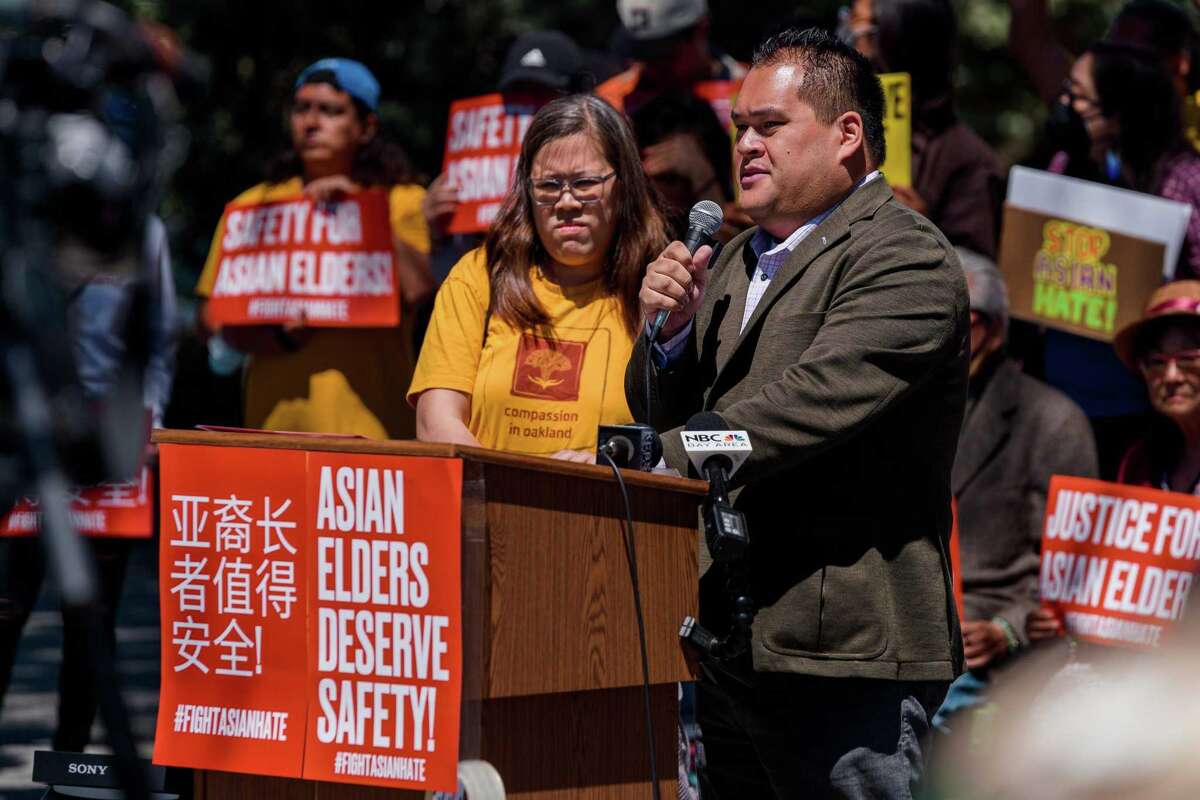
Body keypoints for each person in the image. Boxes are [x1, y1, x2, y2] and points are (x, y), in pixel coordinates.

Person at [627, 27, 968, 796]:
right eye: (740, 128)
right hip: (729, 641)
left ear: (848, 134)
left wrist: (668, 456)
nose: (746, 145)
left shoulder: (902, 256)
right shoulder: (731, 260)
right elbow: (658, 408)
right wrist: (669, 340)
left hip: (845, 649)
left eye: (770, 127)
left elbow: (808, 403)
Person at [409, 94, 668, 460]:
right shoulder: (478, 274)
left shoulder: (661, 287)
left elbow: (682, 430)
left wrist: (597, 465)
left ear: (624, 184)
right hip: (488, 511)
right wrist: (519, 490)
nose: (566, 202)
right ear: (527, 191)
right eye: (548, 186)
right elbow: (435, 423)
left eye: (585, 183)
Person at [0, 215, 176, 752]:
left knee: (91, 623)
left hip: (106, 435)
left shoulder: (141, 227)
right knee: (5, 606)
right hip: (20, 430)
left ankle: (67, 769)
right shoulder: (17, 210)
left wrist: (151, 420)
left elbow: (160, 336)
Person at [195, 58, 434, 439]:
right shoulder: (255, 207)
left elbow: (421, 290)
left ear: (366, 126)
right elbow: (212, 319)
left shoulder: (403, 201)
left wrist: (362, 214)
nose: (311, 122)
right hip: (271, 433)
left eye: (330, 111)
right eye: (302, 108)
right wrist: (279, 338)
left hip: (374, 437)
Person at [931, 248, 1097, 733]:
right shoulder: (903, 404)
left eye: (966, 318)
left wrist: (1008, 628)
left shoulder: (1052, 419)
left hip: (987, 648)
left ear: (998, 328)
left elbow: (1073, 570)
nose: (946, 330)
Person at [1027, 280, 1200, 641]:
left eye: (1189, 361)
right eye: (1156, 363)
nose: (1170, 377)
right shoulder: (1140, 460)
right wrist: (1068, 613)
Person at [840, 0, 1005, 258]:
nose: (849, 37)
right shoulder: (838, 125)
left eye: (863, 26)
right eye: (848, 19)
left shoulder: (970, 164)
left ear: (899, 41)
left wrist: (924, 232)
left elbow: (979, 282)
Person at [597, 0, 746, 119]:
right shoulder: (609, 104)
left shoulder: (749, 91)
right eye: (641, 52)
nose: (651, 65)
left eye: (662, 53)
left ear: (701, 28)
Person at [631, 91, 733, 238]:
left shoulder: (745, 219)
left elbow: (724, 254)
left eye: (687, 178)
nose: (660, 195)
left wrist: (703, 178)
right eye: (669, 177)